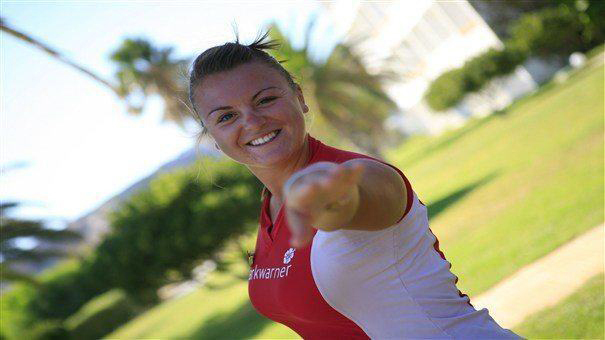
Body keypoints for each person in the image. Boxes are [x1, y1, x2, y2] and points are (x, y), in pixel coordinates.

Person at [188, 32, 521, 339]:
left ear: (300, 98)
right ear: (214, 138)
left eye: (265, 100)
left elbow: (363, 197)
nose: (252, 120)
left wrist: (330, 199)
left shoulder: (355, 174)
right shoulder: (270, 208)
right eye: (226, 116)